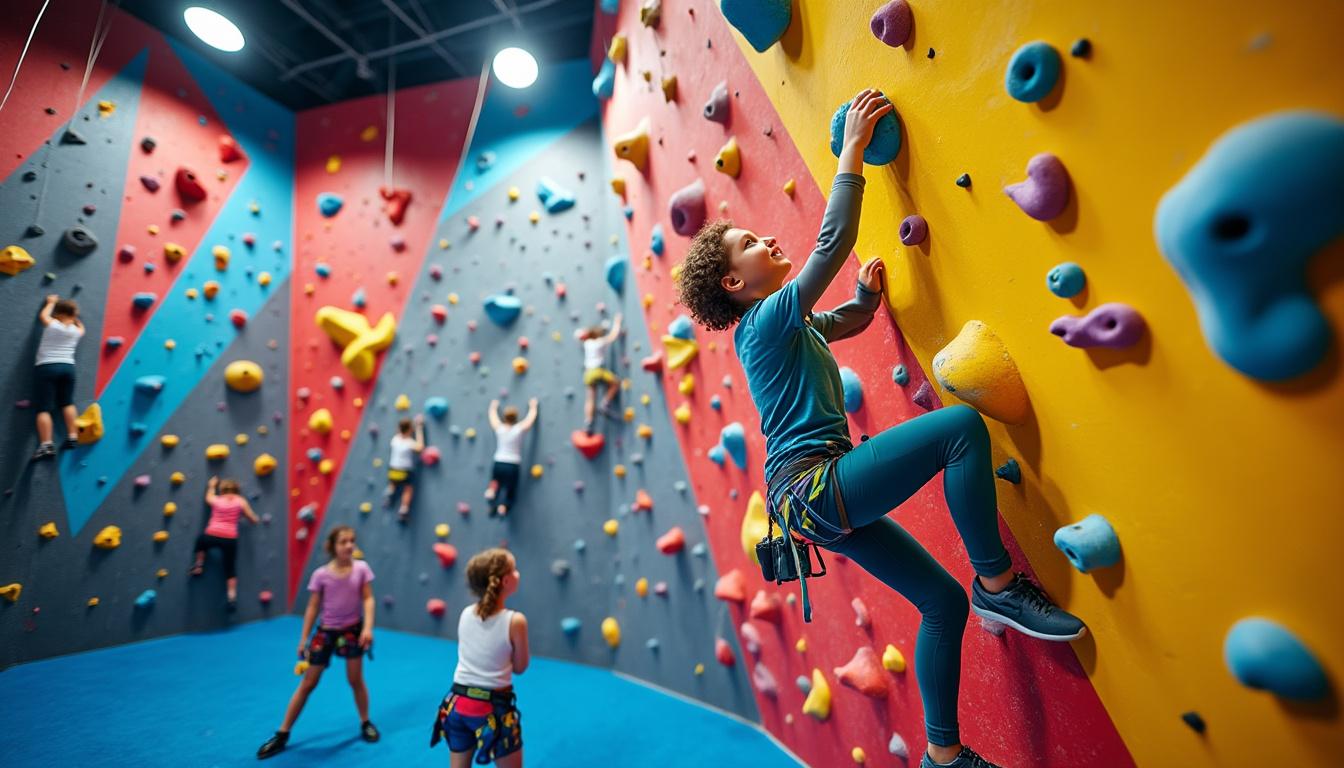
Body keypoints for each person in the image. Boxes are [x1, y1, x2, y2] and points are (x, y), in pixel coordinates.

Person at [675, 88, 1086, 768]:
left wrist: (866, 301)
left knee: (940, 604)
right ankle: (999, 585)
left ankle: (944, 757)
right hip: (814, 487)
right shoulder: (765, 320)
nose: (767, 239)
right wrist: (852, 153)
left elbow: (844, 321)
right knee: (959, 429)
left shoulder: (789, 327)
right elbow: (829, 245)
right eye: (751, 244)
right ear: (733, 283)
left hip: (811, 502)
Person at [257, 526, 378, 759]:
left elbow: (368, 598)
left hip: (353, 631)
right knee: (308, 683)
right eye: (344, 541)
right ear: (332, 546)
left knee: (355, 680)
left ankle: (365, 722)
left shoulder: (362, 569)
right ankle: (282, 734)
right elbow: (313, 607)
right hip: (326, 632)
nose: (349, 545)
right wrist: (304, 638)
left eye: (352, 541)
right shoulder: (321, 575)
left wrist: (368, 628)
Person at [431, 548, 528, 767]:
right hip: (492, 710)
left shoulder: (466, 613)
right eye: (514, 570)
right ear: (504, 581)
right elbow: (520, 667)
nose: (518, 574)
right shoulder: (516, 621)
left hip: (456, 703)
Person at [190, 476, 259, 610]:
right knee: (230, 567)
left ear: (222, 490)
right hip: (229, 538)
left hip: (212, 534)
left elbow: (208, 498)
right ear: (237, 490)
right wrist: (253, 519)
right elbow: (252, 517)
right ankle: (231, 596)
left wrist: (211, 485)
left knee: (200, 542)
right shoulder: (240, 501)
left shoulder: (217, 499)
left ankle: (198, 565)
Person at [31, 294, 84, 460]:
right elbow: (82, 328)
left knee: (44, 408)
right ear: (74, 315)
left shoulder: (54, 325)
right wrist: (76, 320)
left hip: (47, 366)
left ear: (58, 314)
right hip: (68, 367)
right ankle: (72, 436)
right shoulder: (77, 331)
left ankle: (46, 444)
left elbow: (43, 316)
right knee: (67, 402)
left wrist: (50, 302)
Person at [485, 399, 539, 516]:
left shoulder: (500, 429)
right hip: (512, 464)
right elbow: (530, 419)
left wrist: (493, 407)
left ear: (504, 417)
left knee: (495, 480)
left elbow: (492, 417)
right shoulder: (518, 430)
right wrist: (533, 406)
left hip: (499, 461)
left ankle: (491, 491)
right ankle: (503, 507)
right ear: (516, 418)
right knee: (510, 488)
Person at [576, 313, 621, 433]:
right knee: (616, 382)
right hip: (597, 371)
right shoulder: (599, 342)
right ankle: (605, 403)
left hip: (588, 373)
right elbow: (612, 336)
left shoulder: (587, 344)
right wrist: (617, 323)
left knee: (590, 398)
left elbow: (581, 335)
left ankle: (589, 422)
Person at [385, 414, 425, 521]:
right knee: (408, 489)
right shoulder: (409, 442)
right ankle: (403, 509)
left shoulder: (395, 439)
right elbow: (420, 447)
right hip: (404, 471)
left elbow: (401, 432)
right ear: (410, 430)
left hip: (393, 469)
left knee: (393, 482)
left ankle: (389, 493)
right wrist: (419, 428)